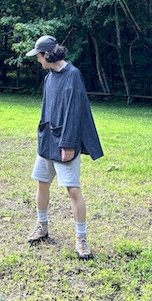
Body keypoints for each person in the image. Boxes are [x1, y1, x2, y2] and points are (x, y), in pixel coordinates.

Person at [26, 34, 103, 259]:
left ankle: (81, 239)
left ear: (47, 55)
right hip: (47, 142)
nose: (38, 60)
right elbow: (47, 109)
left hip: (64, 143)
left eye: (38, 56)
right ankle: (42, 226)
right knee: (42, 183)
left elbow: (75, 111)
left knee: (73, 190)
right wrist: (42, 135)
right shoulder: (49, 77)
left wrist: (68, 144)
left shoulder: (73, 75)